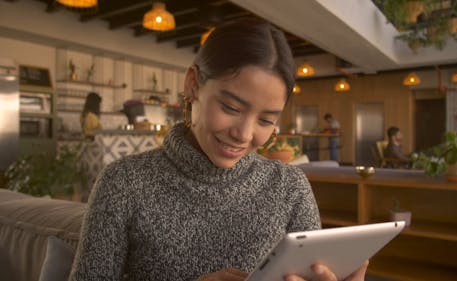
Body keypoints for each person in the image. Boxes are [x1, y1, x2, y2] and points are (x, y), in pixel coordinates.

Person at [69, 19, 368, 281]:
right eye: (230, 107)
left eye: (266, 120)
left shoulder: (290, 188)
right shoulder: (124, 183)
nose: (244, 134)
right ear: (193, 84)